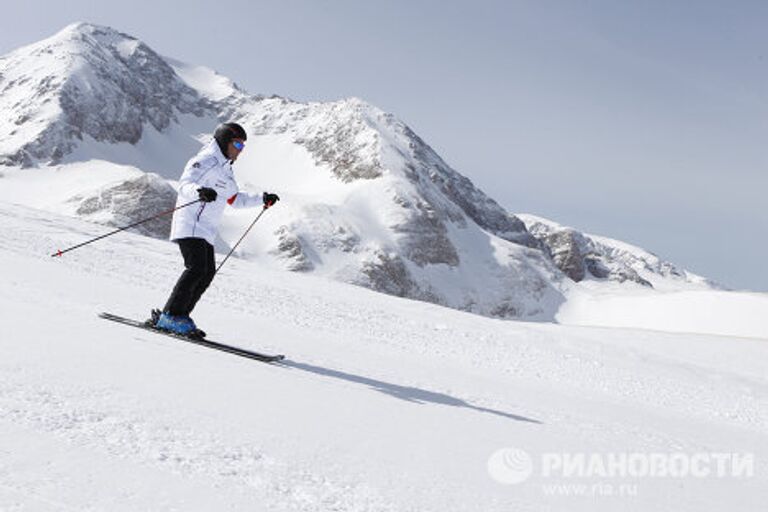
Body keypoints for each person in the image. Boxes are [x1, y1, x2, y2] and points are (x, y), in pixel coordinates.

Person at [152, 122, 280, 336]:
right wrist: (199, 191)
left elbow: (234, 199)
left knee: (207, 272)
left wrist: (261, 199)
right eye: (237, 145)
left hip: (205, 230)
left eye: (243, 147)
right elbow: (185, 185)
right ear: (225, 141)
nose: (240, 151)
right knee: (196, 269)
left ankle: (179, 315)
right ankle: (171, 316)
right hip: (190, 223)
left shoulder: (226, 170)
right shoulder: (205, 161)